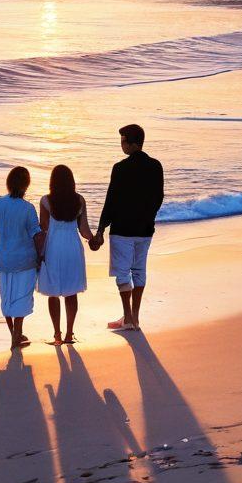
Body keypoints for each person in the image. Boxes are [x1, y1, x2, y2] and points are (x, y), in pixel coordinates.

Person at [90, 123, 164, 332]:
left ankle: (128, 317)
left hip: (122, 229)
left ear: (131, 143)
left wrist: (101, 229)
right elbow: (158, 198)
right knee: (139, 271)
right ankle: (134, 317)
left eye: (122, 140)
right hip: (145, 229)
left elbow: (111, 200)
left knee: (123, 273)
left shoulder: (120, 168)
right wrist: (148, 217)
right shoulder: (156, 166)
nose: (121, 145)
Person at [37, 164, 93, 344]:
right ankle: (70, 334)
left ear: (52, 182)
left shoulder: (46, 201)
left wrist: (37, 251)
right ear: (72, 182)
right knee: (71, 291)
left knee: (53, 292)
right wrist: (95, 239)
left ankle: (57, 335)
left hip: (54, 246)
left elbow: (43, 228)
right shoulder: (79, 200)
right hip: (72, 247)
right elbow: (84, 230)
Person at [0, 166, 44, 350]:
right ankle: (17, 335)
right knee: (21, 297)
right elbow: (36, 235)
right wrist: (40, 256)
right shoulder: (28, 209)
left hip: (3, 258)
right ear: (26, 185)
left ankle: (14, 333)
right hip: (24, 260)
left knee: (7, 298)